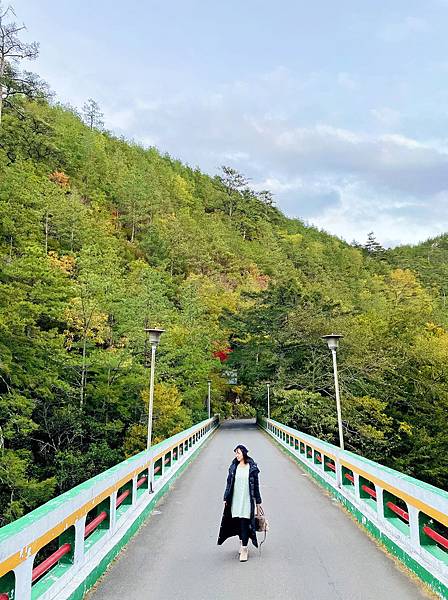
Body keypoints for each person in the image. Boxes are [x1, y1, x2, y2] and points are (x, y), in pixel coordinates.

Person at [217, 444, 262, 562]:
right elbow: (229, 483)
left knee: (244, 522)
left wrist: (258, 502)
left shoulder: (252, 468)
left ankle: (245, 549)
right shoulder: (233, 467)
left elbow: (256, 486)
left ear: (244, 454)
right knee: (238, 522)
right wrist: (226, 498)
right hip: (236, 500)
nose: (236, 455)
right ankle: (242, 542)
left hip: (247, 500)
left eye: (238, 453)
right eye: (235, 453)